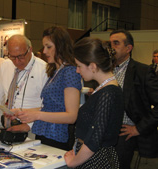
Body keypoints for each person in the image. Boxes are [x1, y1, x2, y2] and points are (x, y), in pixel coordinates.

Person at [7, 26, 82, 151]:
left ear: (61, 46)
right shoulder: (55, 70)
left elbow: (71, 116)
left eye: (49, 47)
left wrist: (37, 115)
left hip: (58, 136)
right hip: (45, 133)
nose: (45, 51)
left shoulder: (70, 71)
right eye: (44, 47)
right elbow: (51, 107)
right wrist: (23, 112)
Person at [64, 37, 124, 168]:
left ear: (92, 66)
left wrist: (74, 162)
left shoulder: (108, 93)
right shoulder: (105, 89)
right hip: (90, 156)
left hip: (96, 159)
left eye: (79, 66)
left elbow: (94, 140)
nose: (77, 70)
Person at [0, 34, 48, 133]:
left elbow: (48, 106)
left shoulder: (44, 70)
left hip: (35, 128)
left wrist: (28, 126)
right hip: (10, 125)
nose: (17, 61)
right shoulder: (6, 65)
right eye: (12, 57)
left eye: (21, 56)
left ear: (30, 50)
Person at [110, 29, 158, 169]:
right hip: (105, 132)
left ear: (128, 48)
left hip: (125, 135)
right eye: (110, 43)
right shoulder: (104, 69)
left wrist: (138, 128)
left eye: (116, 43)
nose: (112, 47)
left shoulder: (142, 71)